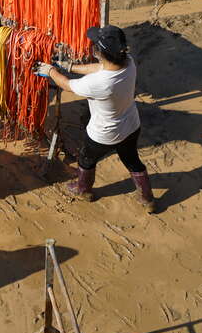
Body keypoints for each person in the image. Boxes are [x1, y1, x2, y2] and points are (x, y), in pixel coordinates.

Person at [36, 25, 155, 212]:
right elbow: (100, 68)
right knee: (132, 160)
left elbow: (66, 85)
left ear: (99, 52)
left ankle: (83, 190)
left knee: (86, 159)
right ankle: (147, 198)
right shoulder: (128, 62)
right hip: (131, 125)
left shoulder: (100, 84)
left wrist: (50, 71)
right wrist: (70, 67)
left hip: (105, 134)